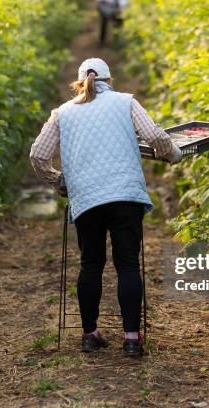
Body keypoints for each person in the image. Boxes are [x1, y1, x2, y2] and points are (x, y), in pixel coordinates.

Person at [29, 58, 182, 357]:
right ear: (109, 80)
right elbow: (154, 136)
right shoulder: (126, 102)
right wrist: (173, 154)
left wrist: (61, 182)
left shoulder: (63, 113)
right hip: (125, 196)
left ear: (79, 82)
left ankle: (89, 334)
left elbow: (37, 155)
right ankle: (132, 339)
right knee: (127, 263)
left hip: (87, 198)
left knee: (91, 264)